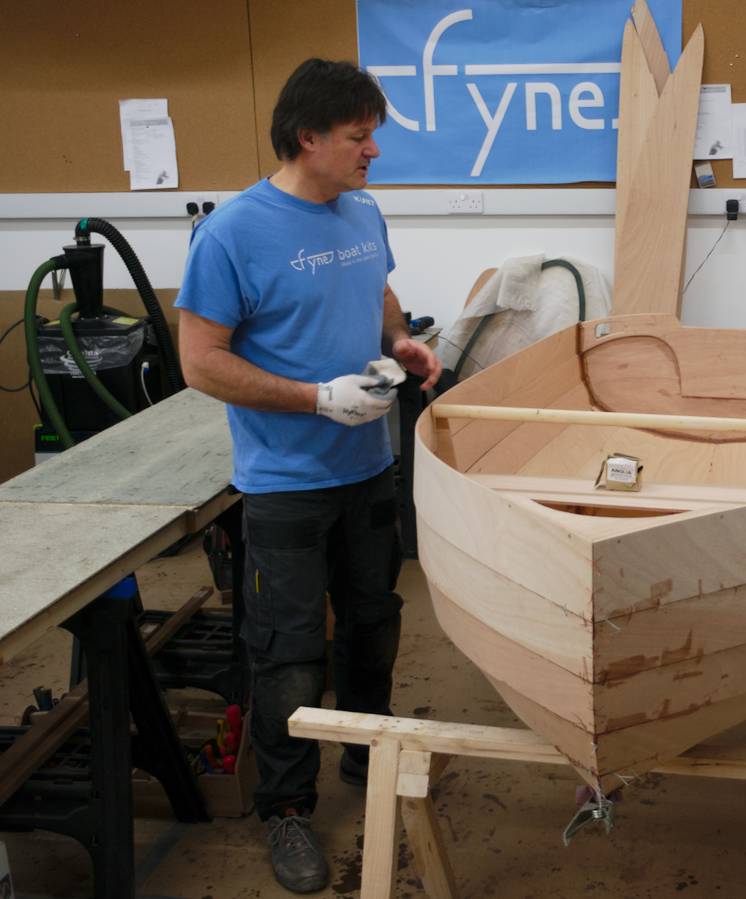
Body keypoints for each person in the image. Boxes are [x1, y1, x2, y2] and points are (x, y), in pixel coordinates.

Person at [176, 58, 441, 894]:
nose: (373, 154)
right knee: (287, 647)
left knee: (373, 618)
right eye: (361, 138)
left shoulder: (359, 209)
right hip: (285, 480)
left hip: (369, 466)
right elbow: (200, 363)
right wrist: (312, 398)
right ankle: (287, 807)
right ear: (309, 138)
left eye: (374, 137)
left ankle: (368, 757)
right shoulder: (232, 234)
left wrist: (399, 342)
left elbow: (380, 289)